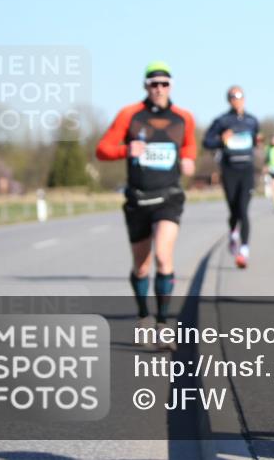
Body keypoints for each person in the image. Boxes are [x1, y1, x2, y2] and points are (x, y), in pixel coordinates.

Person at [96, 61, 196, 352]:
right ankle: (143, 316)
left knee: (164, 257)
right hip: (138, 198)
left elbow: (189, 145)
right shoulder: (130, 115)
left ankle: (164, 325)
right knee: (141, 266)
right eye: (154, 84)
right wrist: (126, 150)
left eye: (164, 83)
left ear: (171, 86)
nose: (159, 89)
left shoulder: (183, 117)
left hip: (169, 196)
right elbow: (102, 150)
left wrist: (189, 159)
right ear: (146, 87)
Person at [203, 86, 261, 269]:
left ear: (244, 98)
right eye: (232, 97)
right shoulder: (222, 121)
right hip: (229, 170)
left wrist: (256, 142)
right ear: (228, 100)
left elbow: (255, 139)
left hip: (247, 169)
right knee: (234, 210)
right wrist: (221, 139)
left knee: (244, 209)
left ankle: (244, 250)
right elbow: (206, 142)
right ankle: (233, 232)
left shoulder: (252, 121)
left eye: (239, 96)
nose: (236, 99)